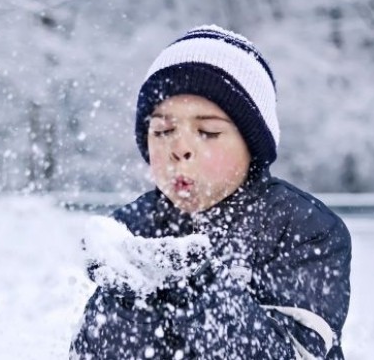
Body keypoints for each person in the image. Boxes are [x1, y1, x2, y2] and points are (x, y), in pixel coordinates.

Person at [70, 25, 351, 359]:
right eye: (162, 130)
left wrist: (200, 286)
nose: (180, 148)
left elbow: (296, 354)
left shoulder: (304, 228)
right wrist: (123, 299)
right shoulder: (134, 226)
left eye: (208, 131)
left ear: (252, 145)